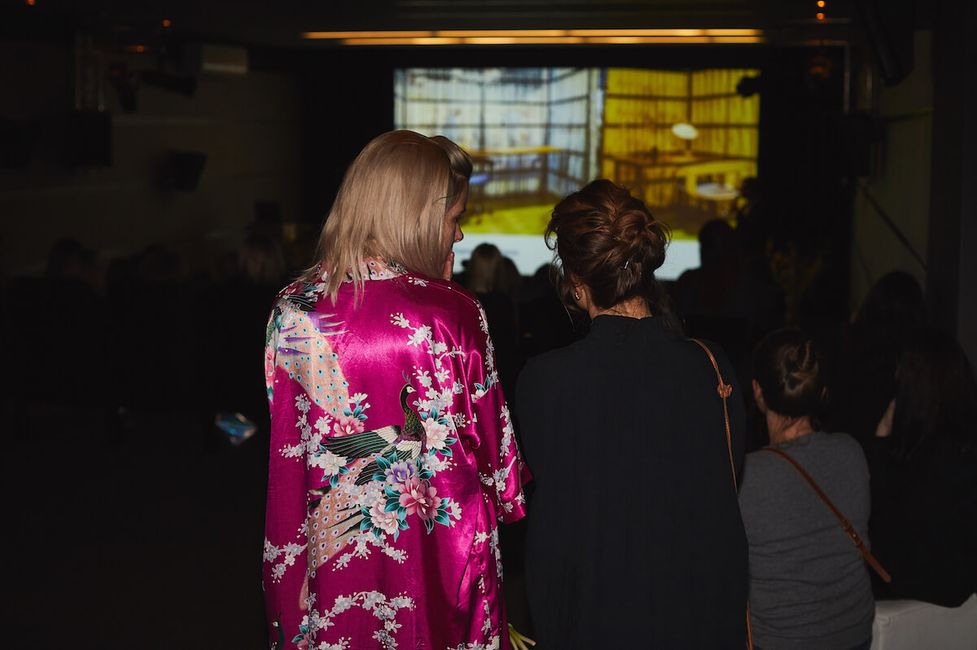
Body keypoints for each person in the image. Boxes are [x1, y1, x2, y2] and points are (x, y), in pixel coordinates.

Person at [262, 130, 528, 649]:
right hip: (438, 570)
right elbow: (500, 473)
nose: (459, 236)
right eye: (455, 219)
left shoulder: (291, 309)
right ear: (419, 217)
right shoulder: (451, 314)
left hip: (323, 567)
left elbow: (292, 440)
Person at [516, 179, 749, 648]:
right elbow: (725, 486)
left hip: (595, 621)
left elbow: (556, 517)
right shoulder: (711, 365)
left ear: (576, 283)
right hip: (698, 619)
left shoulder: (545, 380)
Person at [738, 329, 874, 650]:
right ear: (819, 391)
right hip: (854, 634)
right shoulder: (851, 452)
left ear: (757, 392)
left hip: (782, 640)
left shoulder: (746, 476)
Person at [869, 327, 977, 606]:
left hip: (919, 599)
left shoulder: (912, 465)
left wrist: (881, 438)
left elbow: (885, 542)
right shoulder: (963, 453)